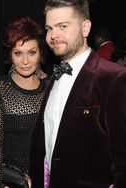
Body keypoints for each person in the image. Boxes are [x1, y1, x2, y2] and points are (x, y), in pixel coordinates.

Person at [29, 0, 126, 187]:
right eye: (49, 28)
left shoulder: (114, 78)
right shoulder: (52, 79)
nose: (53, 35)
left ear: (86, 28)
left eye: (62, 26)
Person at [0, 16, 49, 188]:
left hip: (47, 177)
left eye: (32, 52)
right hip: (13, 181)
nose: (25, 61)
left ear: (40, 52)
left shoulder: (51, 86)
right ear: (10, 54)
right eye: (18, 53)